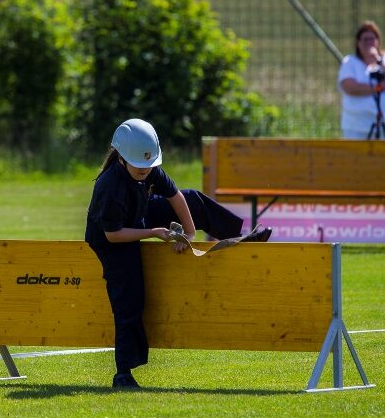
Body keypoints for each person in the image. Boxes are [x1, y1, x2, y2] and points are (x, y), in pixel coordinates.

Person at [84, 118, 272, 389]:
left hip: (138, 216)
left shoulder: (149, 169)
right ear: (123, 158)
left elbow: (175, 196)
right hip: (112, 241)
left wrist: (189, 233)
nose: (146, 170)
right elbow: (112, 235)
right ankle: (123, 373)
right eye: (140, 166)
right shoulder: (109, 186)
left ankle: (242, 238)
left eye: (150, 166)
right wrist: (154, 232)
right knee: (130, 298)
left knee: (194, 198)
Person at [337, 20, 385, 139]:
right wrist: (378, 87)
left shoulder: (383, 60)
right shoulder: (349, 62)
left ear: (378, 41)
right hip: (356, 127)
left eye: (372, 39)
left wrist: (378, 60)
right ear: (358, 43)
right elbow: (350, 88)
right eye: (365, 39)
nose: (369, 43)